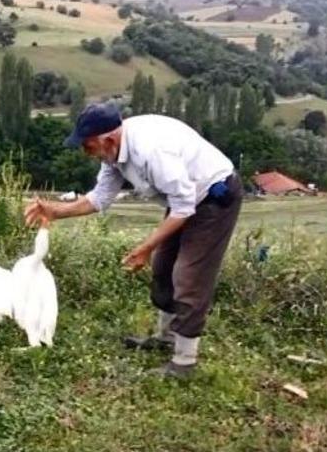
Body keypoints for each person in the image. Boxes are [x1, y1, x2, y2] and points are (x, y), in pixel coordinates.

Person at [24, 102, 242, 378]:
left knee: (189, 275)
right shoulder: (113, 155)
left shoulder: (152, 151)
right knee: (163, 267)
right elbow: (100, 198)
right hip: (184, 200)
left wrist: (146, 247)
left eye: (88, 146)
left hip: (214, 198)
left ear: (108, 140)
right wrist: (55, 211)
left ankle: (184, 362)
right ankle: (166, 337)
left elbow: (184, 208)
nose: (85, 153)